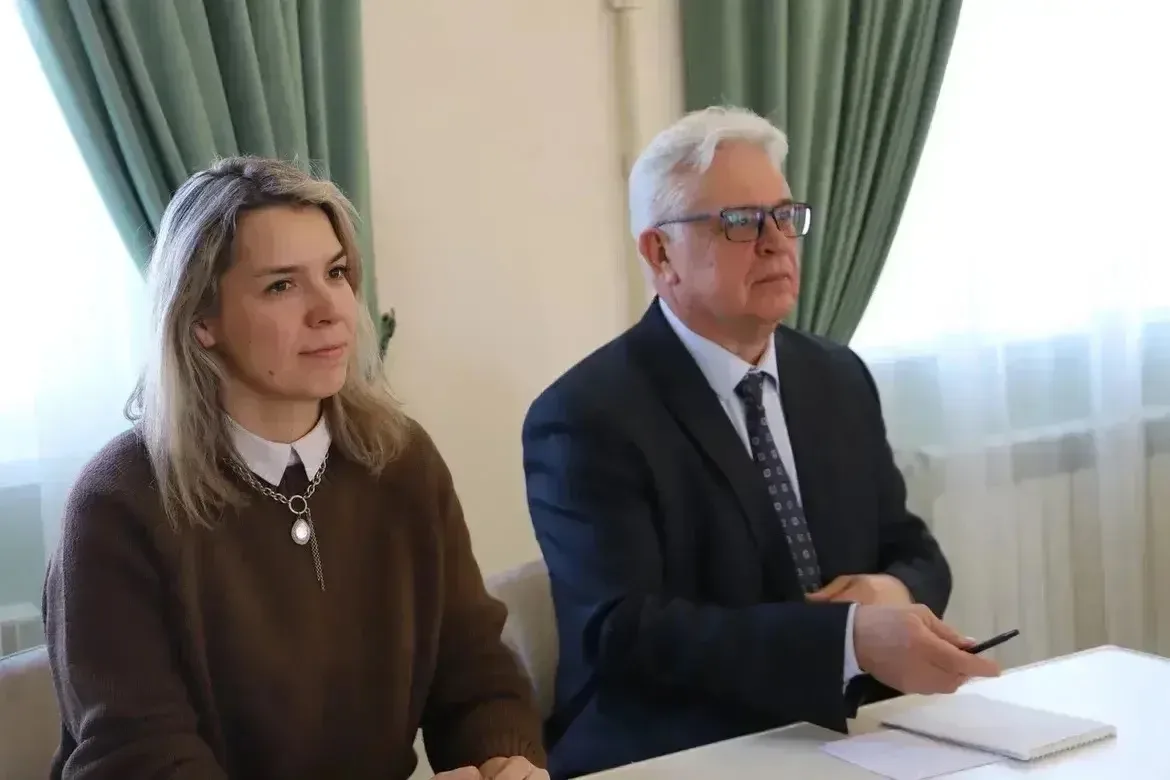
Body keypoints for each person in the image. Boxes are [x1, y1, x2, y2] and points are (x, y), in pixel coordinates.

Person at [521, 106, 1001, 778]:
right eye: (741, 222)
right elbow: (625, 632)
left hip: (851, 729)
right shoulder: (584, 415)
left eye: (785, 216)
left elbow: (913, 548)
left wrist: (892, 592)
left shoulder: (837, 376)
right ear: (661, 254)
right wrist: (846, 639)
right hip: (674, 746)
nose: (777, 242)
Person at [44, 157, 548, 780]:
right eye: (281, 286)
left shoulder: (402, 460)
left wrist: (501, 761)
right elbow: (141, 759)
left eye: (335, 273)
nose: (330, 309)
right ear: (201, 321)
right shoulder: (118, 504)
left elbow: (476, 673)